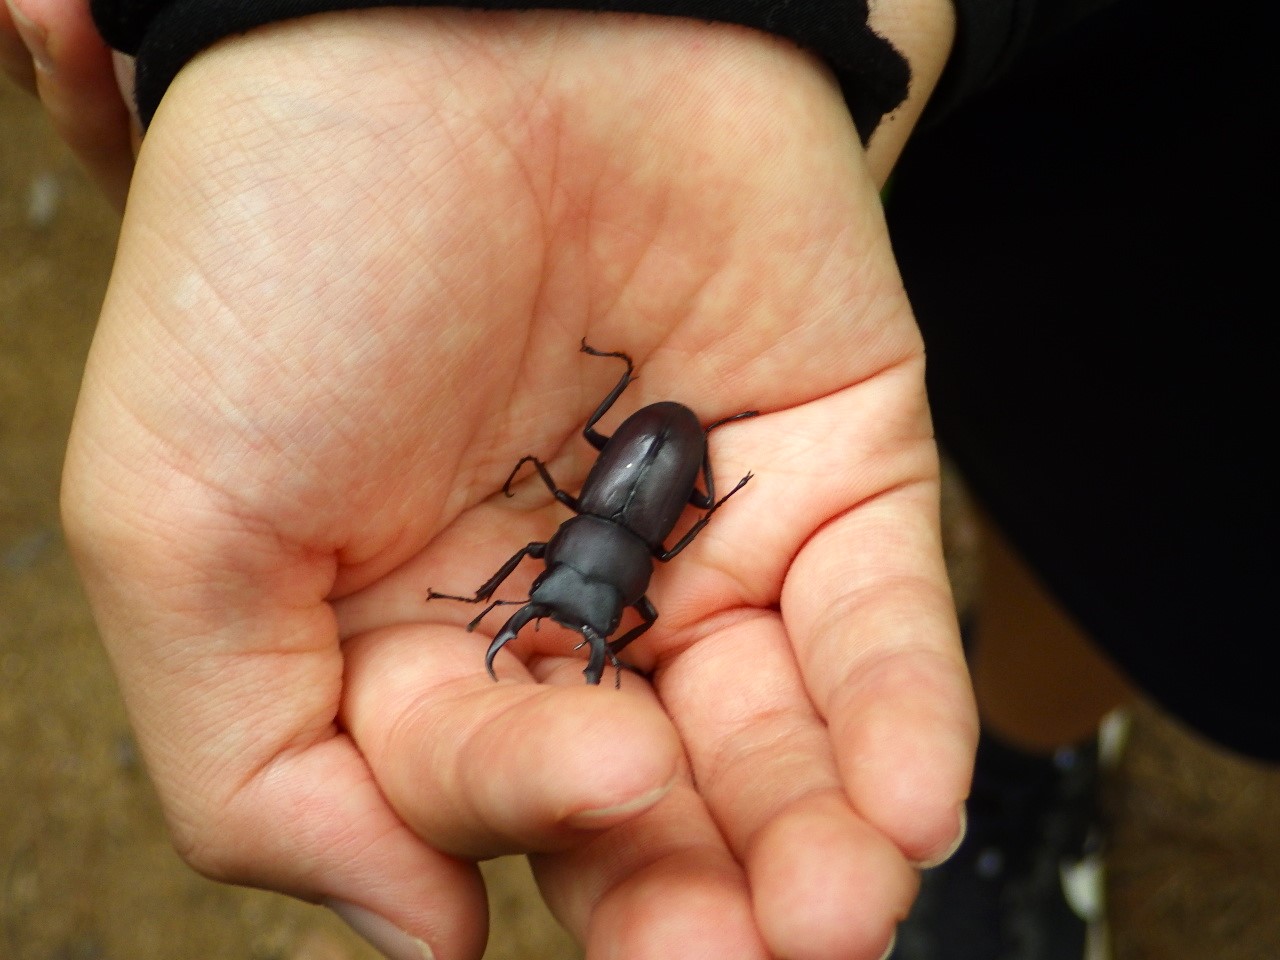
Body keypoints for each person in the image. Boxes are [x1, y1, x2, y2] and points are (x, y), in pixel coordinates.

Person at [4, 1, 1272, 959]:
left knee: (1129, 498)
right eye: (580, 611)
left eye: (555, 602)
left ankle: (1033, 741)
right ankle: (1028, 745)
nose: (566, 608)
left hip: (1169, 157)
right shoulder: (621, 562)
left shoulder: (594, 548)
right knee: (1066, 459)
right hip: (894, 158)